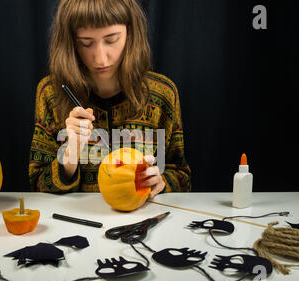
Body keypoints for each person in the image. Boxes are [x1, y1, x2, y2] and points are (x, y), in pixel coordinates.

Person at [29, 0, 191, 198]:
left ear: (131, 33)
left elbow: (182, 178)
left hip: (142, 217)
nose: (100, 58)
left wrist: (162, 183)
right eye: (86, 43)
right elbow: (37, 186)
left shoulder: (163, 93)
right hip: (75, 221)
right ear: (71, 42)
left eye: (111, 40)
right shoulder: (51, 93)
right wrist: (70, 153)